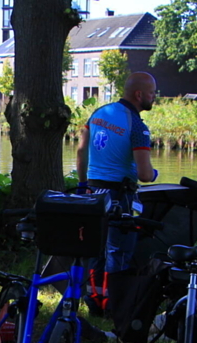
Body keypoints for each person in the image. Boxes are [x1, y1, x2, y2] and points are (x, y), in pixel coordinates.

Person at [76, 71, 159, 275]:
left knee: (95, 249)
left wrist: (83, 185)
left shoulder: (98, 114)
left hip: (93, 192)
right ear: (139, 95)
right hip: (119, 197)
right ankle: (114, 301)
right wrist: (155, 173)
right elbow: (145, 175)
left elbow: (81, 151)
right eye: (152, 93)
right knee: (118, 253)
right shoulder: (138, 127)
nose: (154, 97)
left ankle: (93, 299)